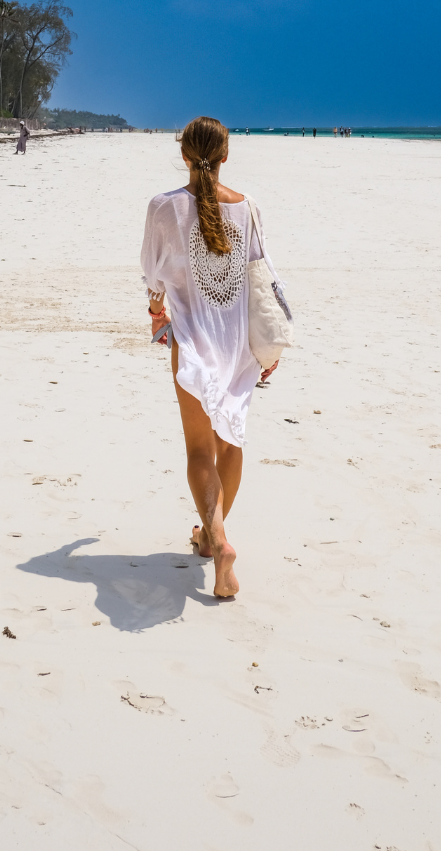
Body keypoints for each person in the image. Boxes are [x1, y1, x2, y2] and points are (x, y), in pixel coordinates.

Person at [140, 115, 279, 599]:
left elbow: (152, 276)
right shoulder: (249, 208)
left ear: (183, 154)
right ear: (225, 157)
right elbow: (262, 281)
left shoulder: (164, 208)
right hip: (238, 344)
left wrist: (158, 303)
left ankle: (217, 541)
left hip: (192, 342)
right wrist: (269, 347)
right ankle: (210, 538)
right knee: (231, 444)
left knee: (199, 450)